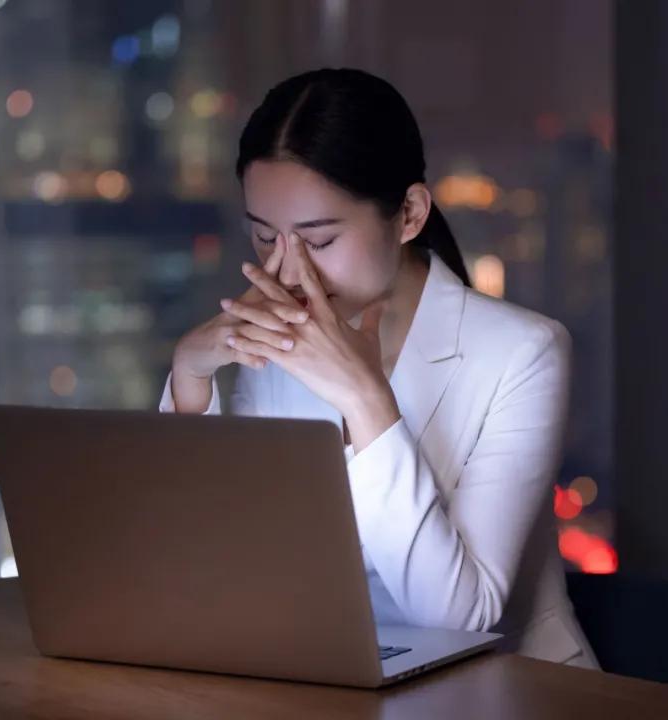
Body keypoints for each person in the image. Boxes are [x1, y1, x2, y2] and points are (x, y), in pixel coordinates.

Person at [158, 67, 598, 669]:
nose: (288, 276)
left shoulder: (525, 353)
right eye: (264, 239)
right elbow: (211, 559)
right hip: (328, 678)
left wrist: (365, 400)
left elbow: (462, 616)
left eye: (317, 241)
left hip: (506, 686)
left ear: (411, 213)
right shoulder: (278, 344)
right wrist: (191, 377)